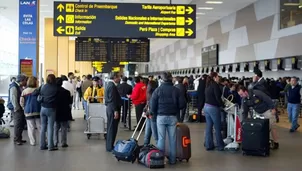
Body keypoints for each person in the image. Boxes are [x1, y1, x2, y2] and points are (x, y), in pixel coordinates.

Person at [150, 72, 186, 165]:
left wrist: (154, 113)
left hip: (160, 117)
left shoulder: (157, 90)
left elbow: (152, 106)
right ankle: (173, 160)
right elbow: (182, 104)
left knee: (161, 139)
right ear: (171, 79)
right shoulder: (176, 90)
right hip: (173, 117)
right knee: (172, 139)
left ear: (162, 79)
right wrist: (176, 108)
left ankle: (160, 160)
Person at [204, 72, 225, 151]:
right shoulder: (215, 85)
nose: (219, 78)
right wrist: (223, 106)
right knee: (217, 127)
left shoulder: (207, 85)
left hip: (206, 107)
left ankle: (209, 145)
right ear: (214, 77)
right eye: (217, 76)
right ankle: (220, 145)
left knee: (209, 127)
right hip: (213, 108)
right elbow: (217, 97)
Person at [20, 76, 41, 146]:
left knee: (31, 127)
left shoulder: (24, 91)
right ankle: (44, 140)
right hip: (38, 110)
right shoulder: (38, 91)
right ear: (35, 82)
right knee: (40, 127)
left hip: (28, 111)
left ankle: (33, 142)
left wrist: (24, 108)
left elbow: (21, 102)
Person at [39, 74, 58, 151]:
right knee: (50, 127)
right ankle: (50, 146)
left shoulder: (43, 86)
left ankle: (42, 145)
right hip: (51, 109)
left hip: (43, 108)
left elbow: (38, 93)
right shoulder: (55, 88)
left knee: (43, 127)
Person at [7, 74, 27, 145]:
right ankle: (17, 139)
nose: (26, 82)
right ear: (22, 81)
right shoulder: (14, 87)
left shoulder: (18, 86)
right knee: (18, 123)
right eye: (25, 80)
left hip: (18, 107)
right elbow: (13, 98)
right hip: (16, 108)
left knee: (20, 123)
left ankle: (19, 138)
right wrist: (17, 108)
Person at [104, 72, 122, 152]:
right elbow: (113, 99)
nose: (120, 78)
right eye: (119, 77)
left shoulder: (109, 85)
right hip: (112, 109)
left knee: (110, 127)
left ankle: (109, 145)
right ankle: (110, 147)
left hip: (109, 108)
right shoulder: (112, 86)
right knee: (112, 128)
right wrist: (115, 111)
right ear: (115, 77)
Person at [54, 77, 72, 148]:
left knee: (55, 127)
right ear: (62, 83)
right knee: (64, 128)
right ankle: (63, 142)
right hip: (64, 111)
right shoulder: (67, 92)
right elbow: (70, 102)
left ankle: (55, 142)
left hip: (55, 111)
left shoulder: (53, 92)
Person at [143, 75, 158, 146]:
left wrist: (148, 112)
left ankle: (160, 151)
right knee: (147, 134)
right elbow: (148, 103)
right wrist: (145, 109)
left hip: (153, 116)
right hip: (150, 116)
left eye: (148, 85)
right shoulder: (149, 94)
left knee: (155, 135)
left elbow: (154, 107)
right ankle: (145, 147)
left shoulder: (155, 95)